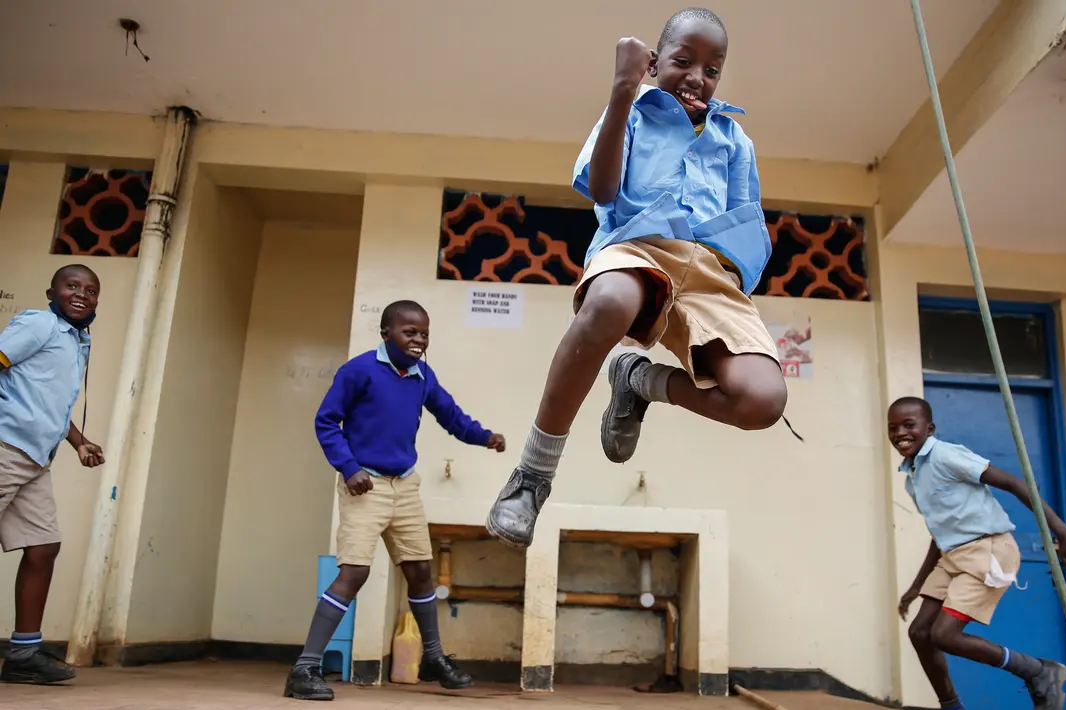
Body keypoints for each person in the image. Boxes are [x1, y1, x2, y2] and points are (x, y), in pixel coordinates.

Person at [486, 7, 790, 547]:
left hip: (710, 274)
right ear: (654, 64)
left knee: (762, 401)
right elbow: (603, 191)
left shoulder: (733, 139)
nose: (697, 77)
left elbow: (747, 216)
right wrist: (622, 90)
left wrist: (733, 285)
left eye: (712, 69)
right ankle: (532, 475)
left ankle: (639, 381)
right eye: (682, 61)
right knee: (607, 305)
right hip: (640, 247)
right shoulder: (632, 112)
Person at [284, 300, 506, 701]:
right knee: (354, 574)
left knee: (421, 570)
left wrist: (484, 437)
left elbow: (450, 416)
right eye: (410, 332)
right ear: (386, 332)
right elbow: (326, 421)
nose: (418, 340)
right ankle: (304, 669)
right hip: (364, 484)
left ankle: (433, 658)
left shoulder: (422, 376)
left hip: (404, 485)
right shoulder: (359, 370)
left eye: (423, 333)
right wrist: (349, 468)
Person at [888, 396, 1066, 710]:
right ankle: (951, 706)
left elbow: (1013, 483)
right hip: (953, 555)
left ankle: (1037, 671)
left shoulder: (945, 455)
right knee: (920, 632)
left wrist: (1063, 534)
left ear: (929, 428)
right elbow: (938, 533)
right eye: (893, 427)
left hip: (988, 550)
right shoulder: (913, 476)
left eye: (909, 425)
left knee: (944, 635)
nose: (900, 432)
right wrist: (917, 586)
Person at [0, 264, 105, 685]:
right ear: (52, 291)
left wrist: (78, 441)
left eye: (91, 290)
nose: (82, 294)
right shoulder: (40, 324)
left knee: (43, 546)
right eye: (72, 286)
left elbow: (50, 403)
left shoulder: (77, 341)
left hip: (35, 459)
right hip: (6, 446)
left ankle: (24, 655)